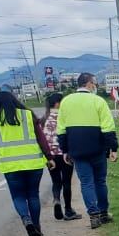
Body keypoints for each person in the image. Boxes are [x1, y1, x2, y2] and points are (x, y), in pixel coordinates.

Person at [0, 89, 53, 236]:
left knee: (18, 196)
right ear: (15, 100)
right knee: (33, 195)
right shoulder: (27, 115)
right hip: (33, 163)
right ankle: (36, 227)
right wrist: (49, 157)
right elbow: (40, 138)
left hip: (10, 165)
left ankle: (26, 219)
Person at [57, 72, 118, 228]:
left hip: (76, 150)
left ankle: (93, 216)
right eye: (95, 83)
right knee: (100, 181)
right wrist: (113, 148)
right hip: (97, 148)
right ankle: (104, 213)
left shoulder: (66, 101)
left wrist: (64, 150)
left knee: (86, 183)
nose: (95, 86)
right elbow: (108, 127)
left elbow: (61, 129)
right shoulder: (98, 101)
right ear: (89, 84)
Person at [37, 92, 81, 221]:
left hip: (50, 156)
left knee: (56, 181)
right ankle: (68, 210)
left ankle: (56, 200)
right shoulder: (65, 117)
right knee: (67, 182)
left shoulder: (43, 119)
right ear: (58, 103)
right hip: (64, 154)